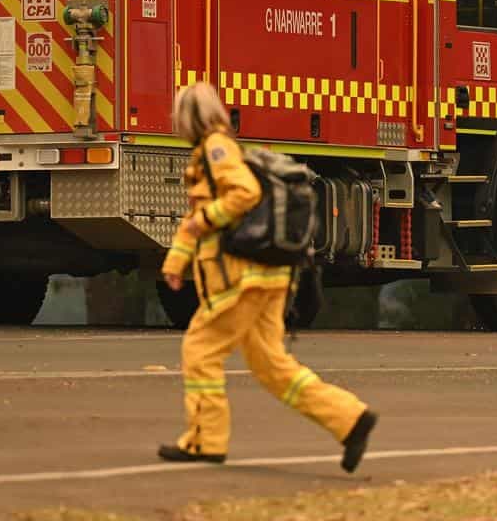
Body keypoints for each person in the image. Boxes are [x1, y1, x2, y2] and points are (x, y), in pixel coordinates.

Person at [157, 82, 378, 473]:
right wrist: (176, 262)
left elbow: (239, 196)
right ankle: (350, 419)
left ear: (189, 116)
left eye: (177, 113)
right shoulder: (215, 150)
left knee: (200, 351)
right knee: (273, 367)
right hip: (268, 279)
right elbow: (199, 220)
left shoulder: (215, 149)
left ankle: (206, 442)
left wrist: (201, 224)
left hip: (242, 281)